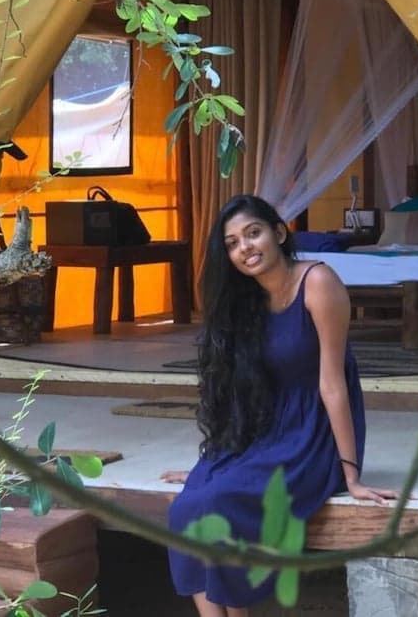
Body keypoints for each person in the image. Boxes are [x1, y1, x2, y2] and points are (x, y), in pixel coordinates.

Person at [161, 194, 397, 616]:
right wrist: (214, 461)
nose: (245, 248)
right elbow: (239, 389)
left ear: (279, 233)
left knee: (220, 503)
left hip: (311, 433)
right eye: (233, 243)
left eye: (253, 233)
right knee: (186, 509)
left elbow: (333, 384)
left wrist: (351, 474)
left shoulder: (318, 283)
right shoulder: (244, 300)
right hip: (263, 430)